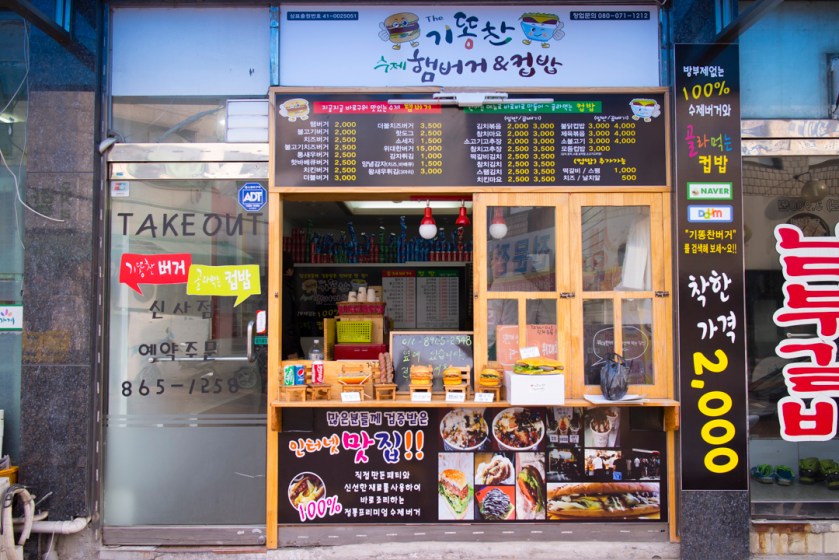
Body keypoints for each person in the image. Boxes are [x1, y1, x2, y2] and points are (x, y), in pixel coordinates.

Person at [486, 245, 556, 360]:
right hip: (527, 348)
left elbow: (491, 323)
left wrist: (484, 349)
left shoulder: (500, 283)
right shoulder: (531, 286)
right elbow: (545, 321)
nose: (492, 265)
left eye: (493, 259)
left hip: (504, 346)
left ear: (503, 260)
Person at [282, 251, 305, 359]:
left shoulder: (278, 287)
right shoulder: (285, 290)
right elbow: (286, 322)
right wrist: (291, 350)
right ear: (289, 270)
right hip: (286, 349)